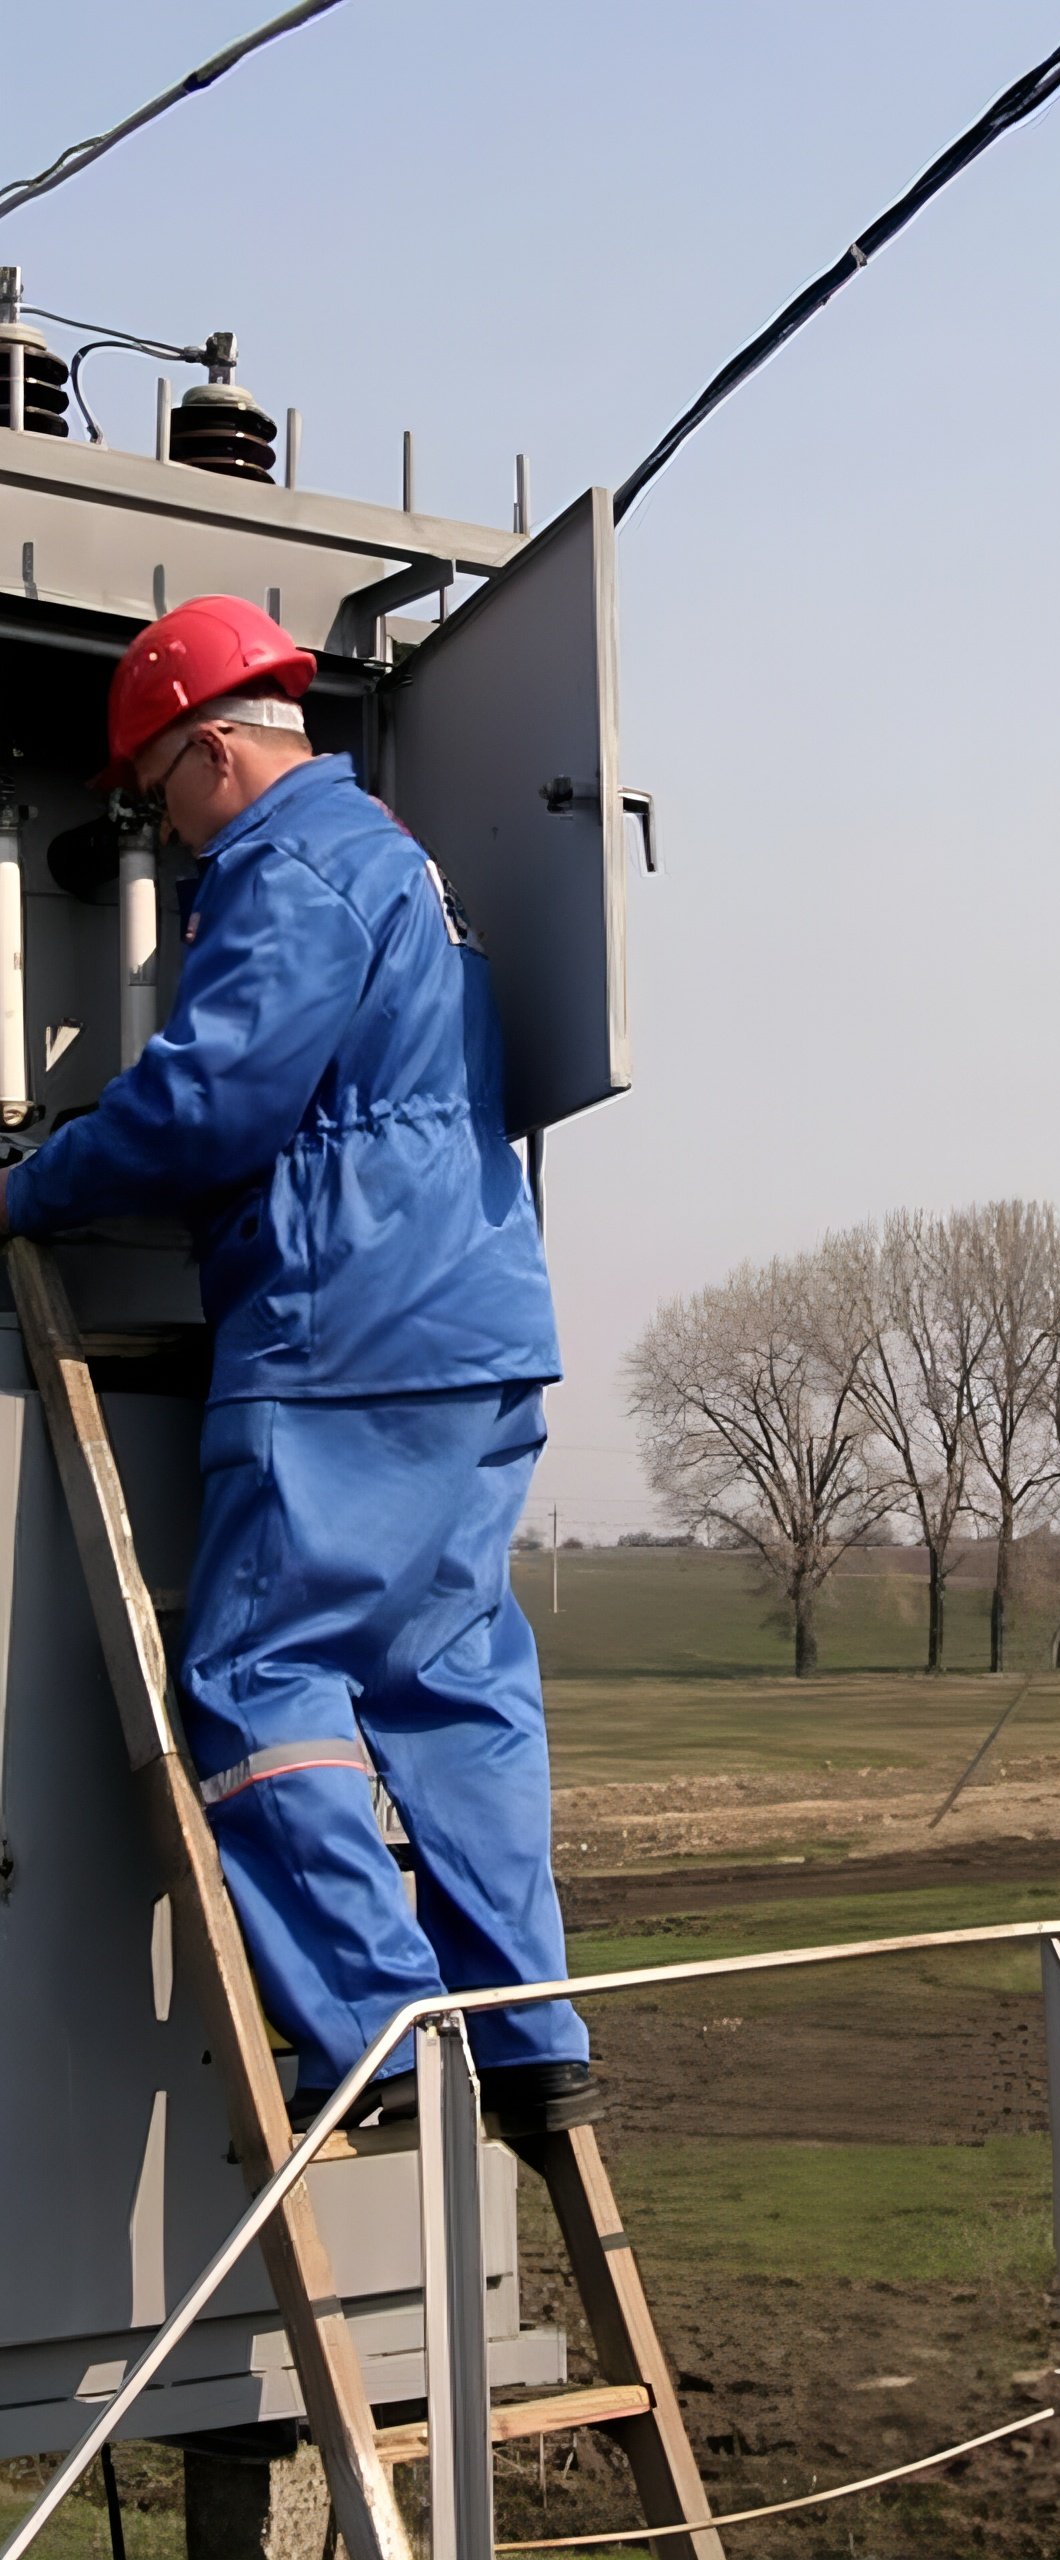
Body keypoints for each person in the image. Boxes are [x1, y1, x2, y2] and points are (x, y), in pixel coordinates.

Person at [0, 595, 595, 2138]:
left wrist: (34, 1180)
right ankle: (528, 2041)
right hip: (472, 1326)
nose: (164, 838)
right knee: (448, 1680)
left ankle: (382, 2033)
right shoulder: (402, 862)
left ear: (209, 753)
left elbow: (205, 1105)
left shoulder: (287, 866)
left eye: (153, 802)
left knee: (262, 1677)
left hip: (344, 1333)